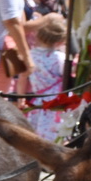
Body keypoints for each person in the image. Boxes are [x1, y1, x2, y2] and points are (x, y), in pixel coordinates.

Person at [23, 13, 73, 141]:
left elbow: (23, 79)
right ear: (60, 41)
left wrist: (21, 98)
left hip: (39, 99)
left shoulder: (31, 55)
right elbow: (68, 75)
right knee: (54, 132)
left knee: (38, 131)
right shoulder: (59, 58)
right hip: (56, 101)